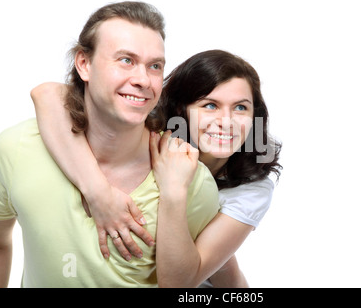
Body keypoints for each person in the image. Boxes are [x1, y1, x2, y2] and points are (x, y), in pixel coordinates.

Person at [0, 1, 220, 288]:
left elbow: (190, 284)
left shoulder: (191, 181)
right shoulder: (17, 149)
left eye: (155, 66)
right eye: (126, 60)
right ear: (84, 64)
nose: (143, 80)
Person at [31, 50, 282, 287]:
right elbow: (46, 94)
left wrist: (174, 191)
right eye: (210, 105)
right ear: (181, 110)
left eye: (241, 107)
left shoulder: (254, 186)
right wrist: (99, 193)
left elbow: (178, 284)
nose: (226, 122)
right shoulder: (147, 134)